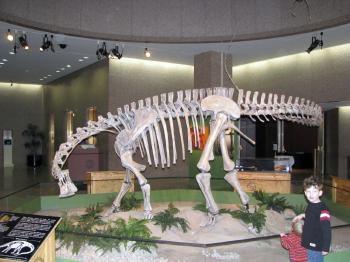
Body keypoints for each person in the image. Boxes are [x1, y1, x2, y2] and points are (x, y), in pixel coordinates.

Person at [294, 176, 331, 262]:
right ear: (305, 193)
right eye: (308, 191)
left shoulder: (323, 209)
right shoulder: (311, 204)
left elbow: (327, 229)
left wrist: (326, 247)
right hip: (309, 242)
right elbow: (312, 216)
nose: (311, 194)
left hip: (316, 244)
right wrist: (302, 215)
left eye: (314, 191)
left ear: (320, 193)